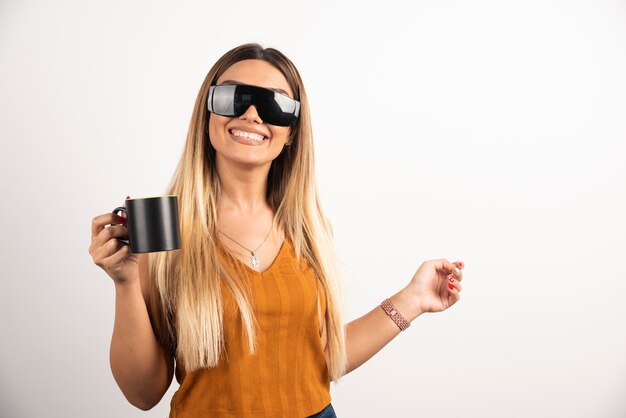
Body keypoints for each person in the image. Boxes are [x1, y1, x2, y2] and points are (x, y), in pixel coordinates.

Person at [88, 43, 465, 418]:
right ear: (206, 115)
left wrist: (412, 300)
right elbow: (143, 394)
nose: (252, 114)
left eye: (275, 105)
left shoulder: (307, 230)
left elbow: (317, 361)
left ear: (292, 133)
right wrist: (125, 282)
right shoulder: (162, 227)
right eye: (234, 98)